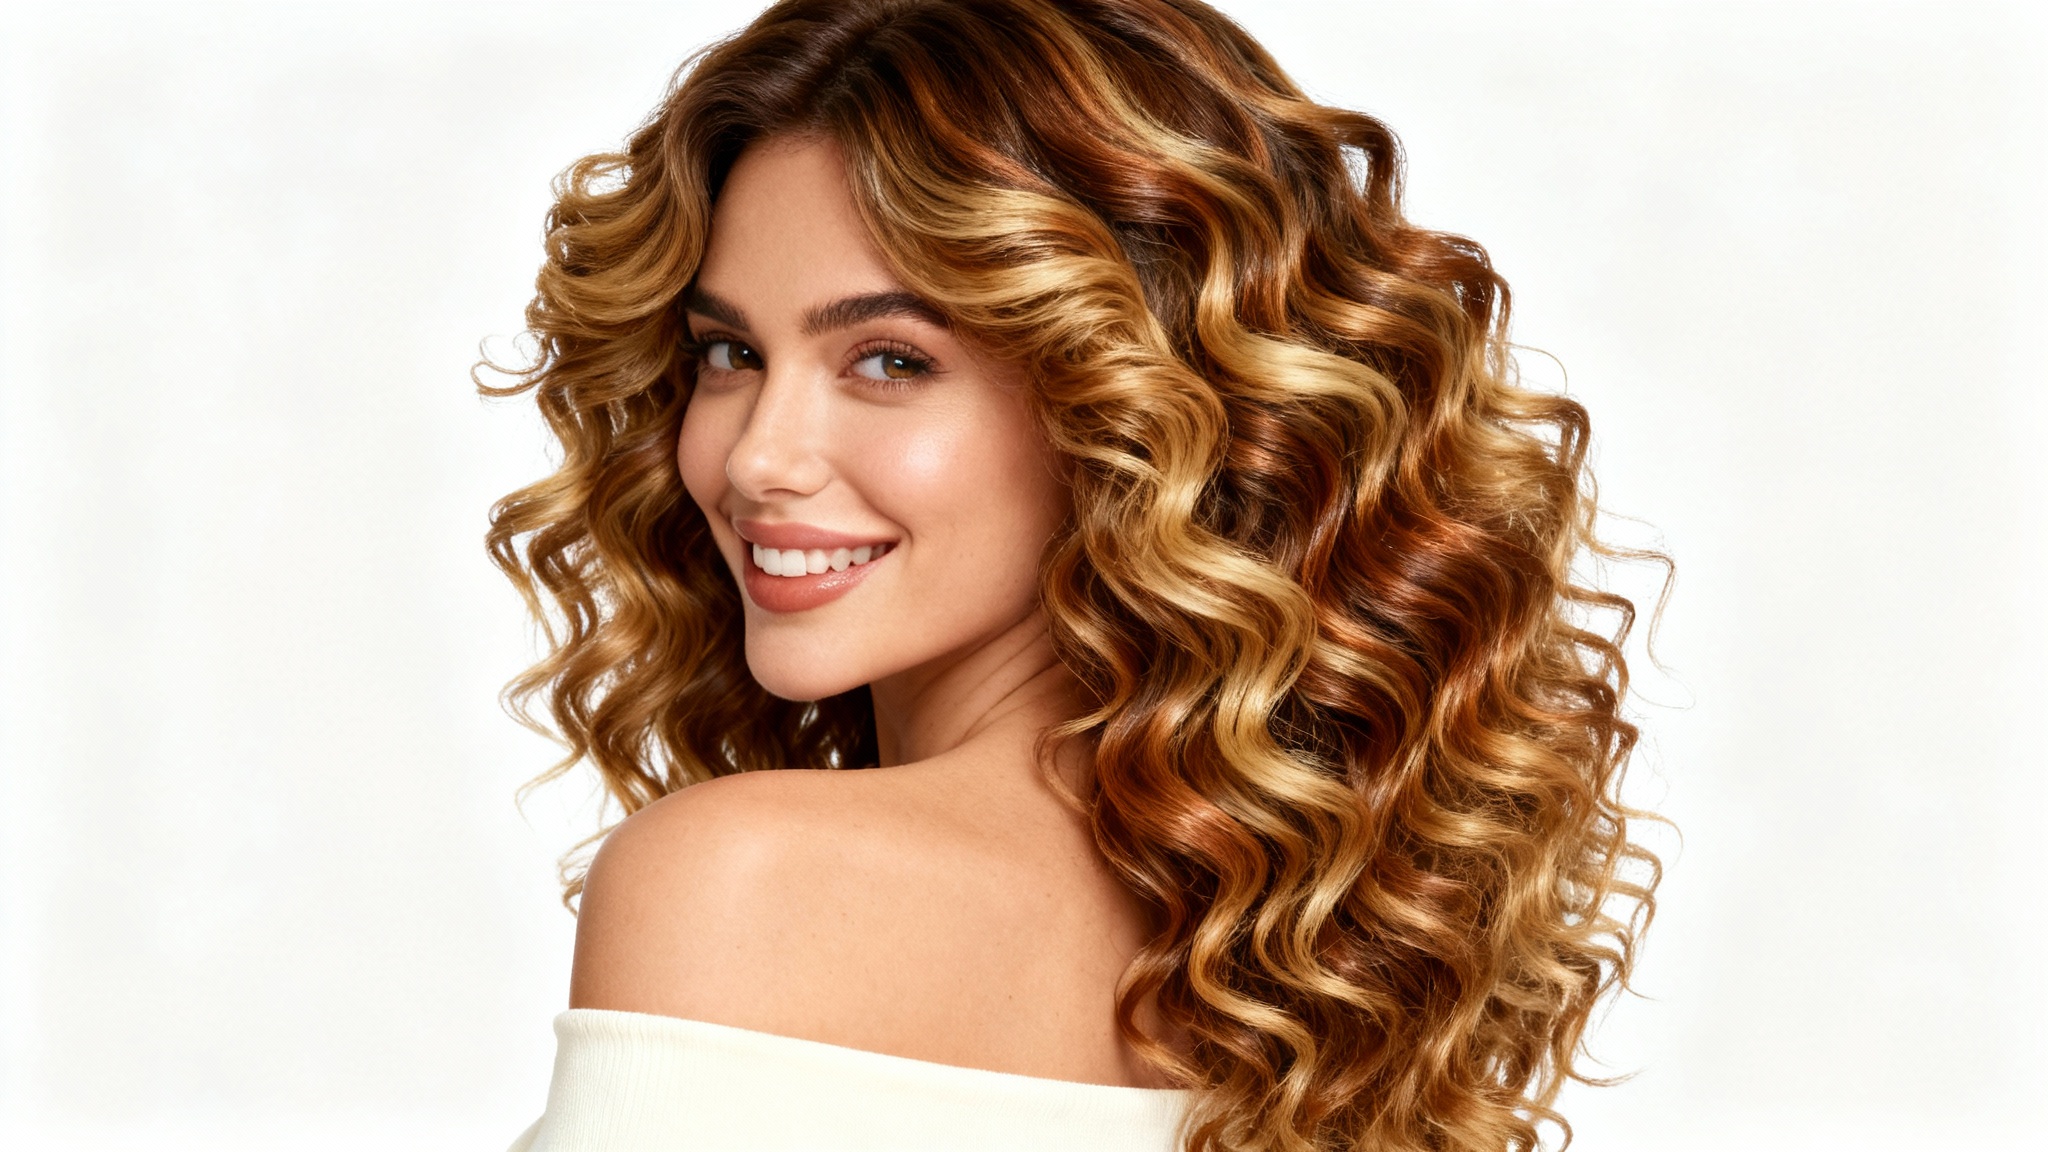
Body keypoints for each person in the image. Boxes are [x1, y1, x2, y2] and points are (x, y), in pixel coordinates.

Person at [485, 1, 1660, 1149]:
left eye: (889, 360)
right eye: (729, 352)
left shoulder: (738, 882)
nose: (755, 457)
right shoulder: (1319, 971)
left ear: (1122, 408)